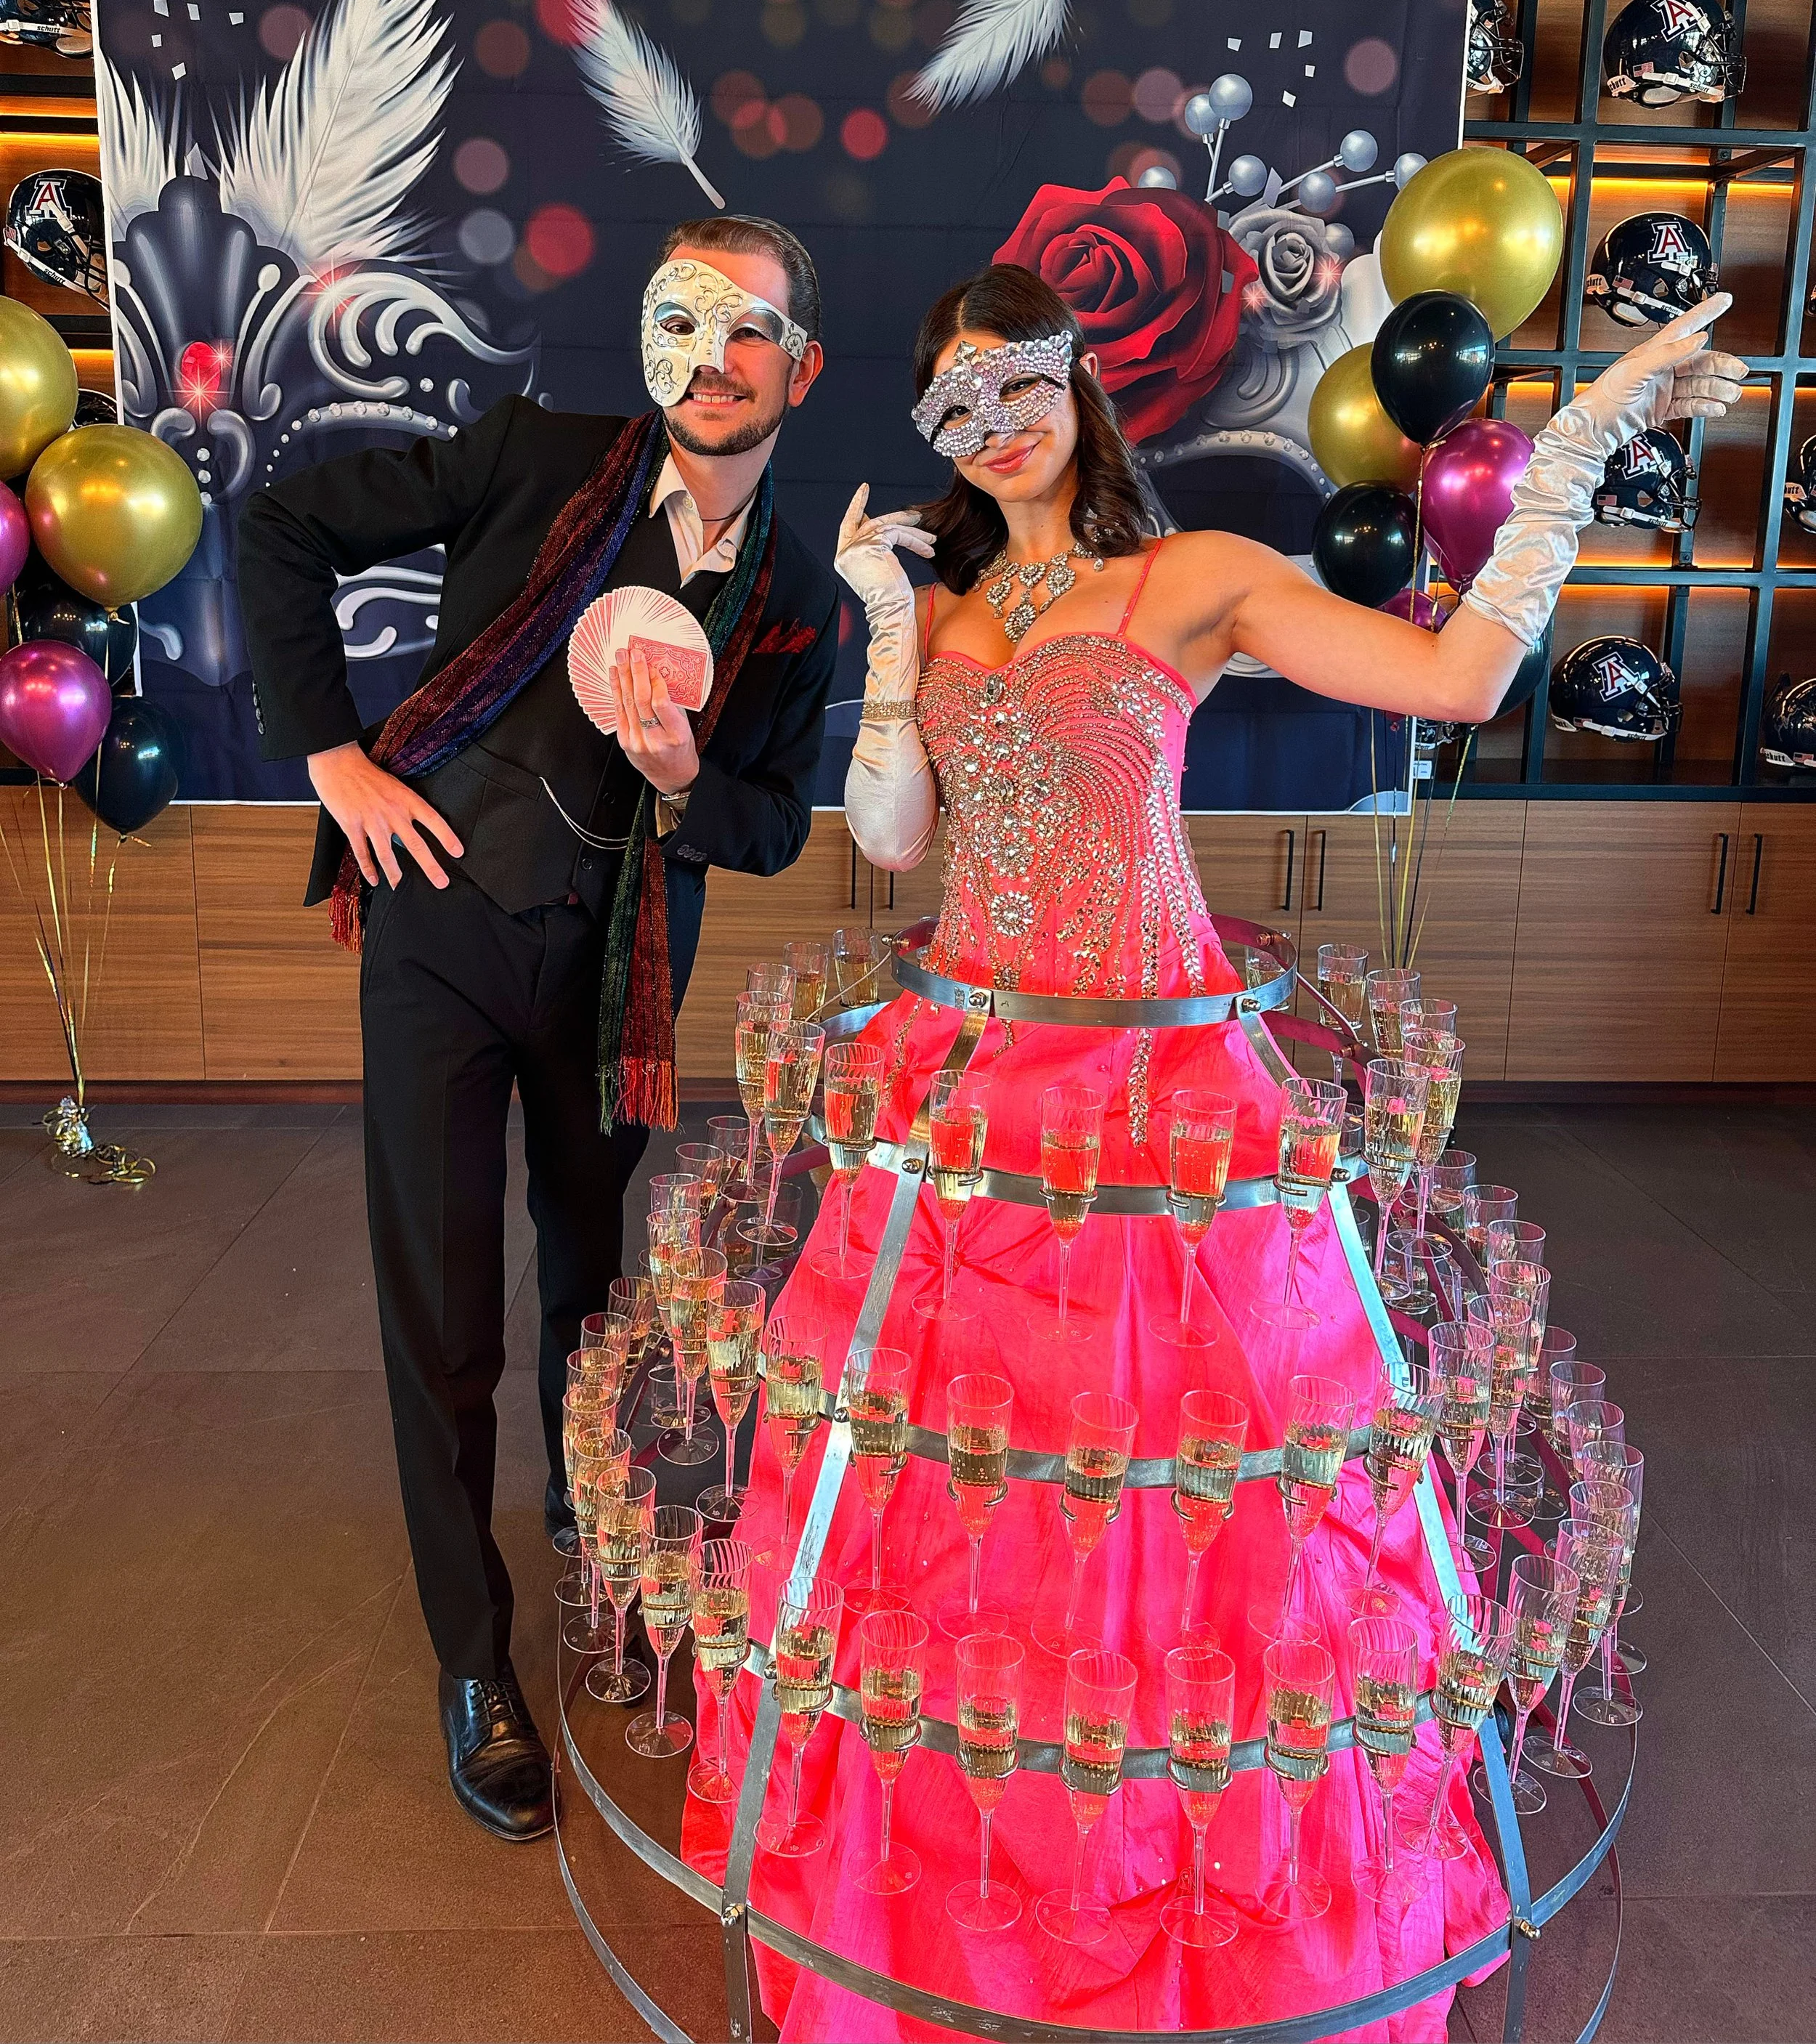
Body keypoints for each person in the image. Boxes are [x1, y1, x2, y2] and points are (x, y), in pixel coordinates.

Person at [684, 266, 1740, 2036]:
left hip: (1162, 1101)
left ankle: (1193, 1885)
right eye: (950, 400)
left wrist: (1577, 437)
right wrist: (882, 632)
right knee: (948, 1499)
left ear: (1074, 380)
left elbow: (1460, 678)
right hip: (964, 1083)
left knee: (1194, 1501)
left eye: (1014, 379)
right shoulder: (946, 609)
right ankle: (960, 1889)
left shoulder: (1189, 578)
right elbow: (884, 843)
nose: (991, 422)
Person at [237, 216, 840, 1843]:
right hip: (434, 932)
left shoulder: (795, 591)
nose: (711, 367)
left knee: (590, 1277)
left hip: (610, 977)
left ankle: (592, 1517)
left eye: (747, 335)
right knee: (441, 1307)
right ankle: (468, 1655)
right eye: (681, 325)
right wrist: (336, 761)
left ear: (801, 365)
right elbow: (279, 519)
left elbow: (775, 821)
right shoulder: (537, 455)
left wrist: (682, 787)